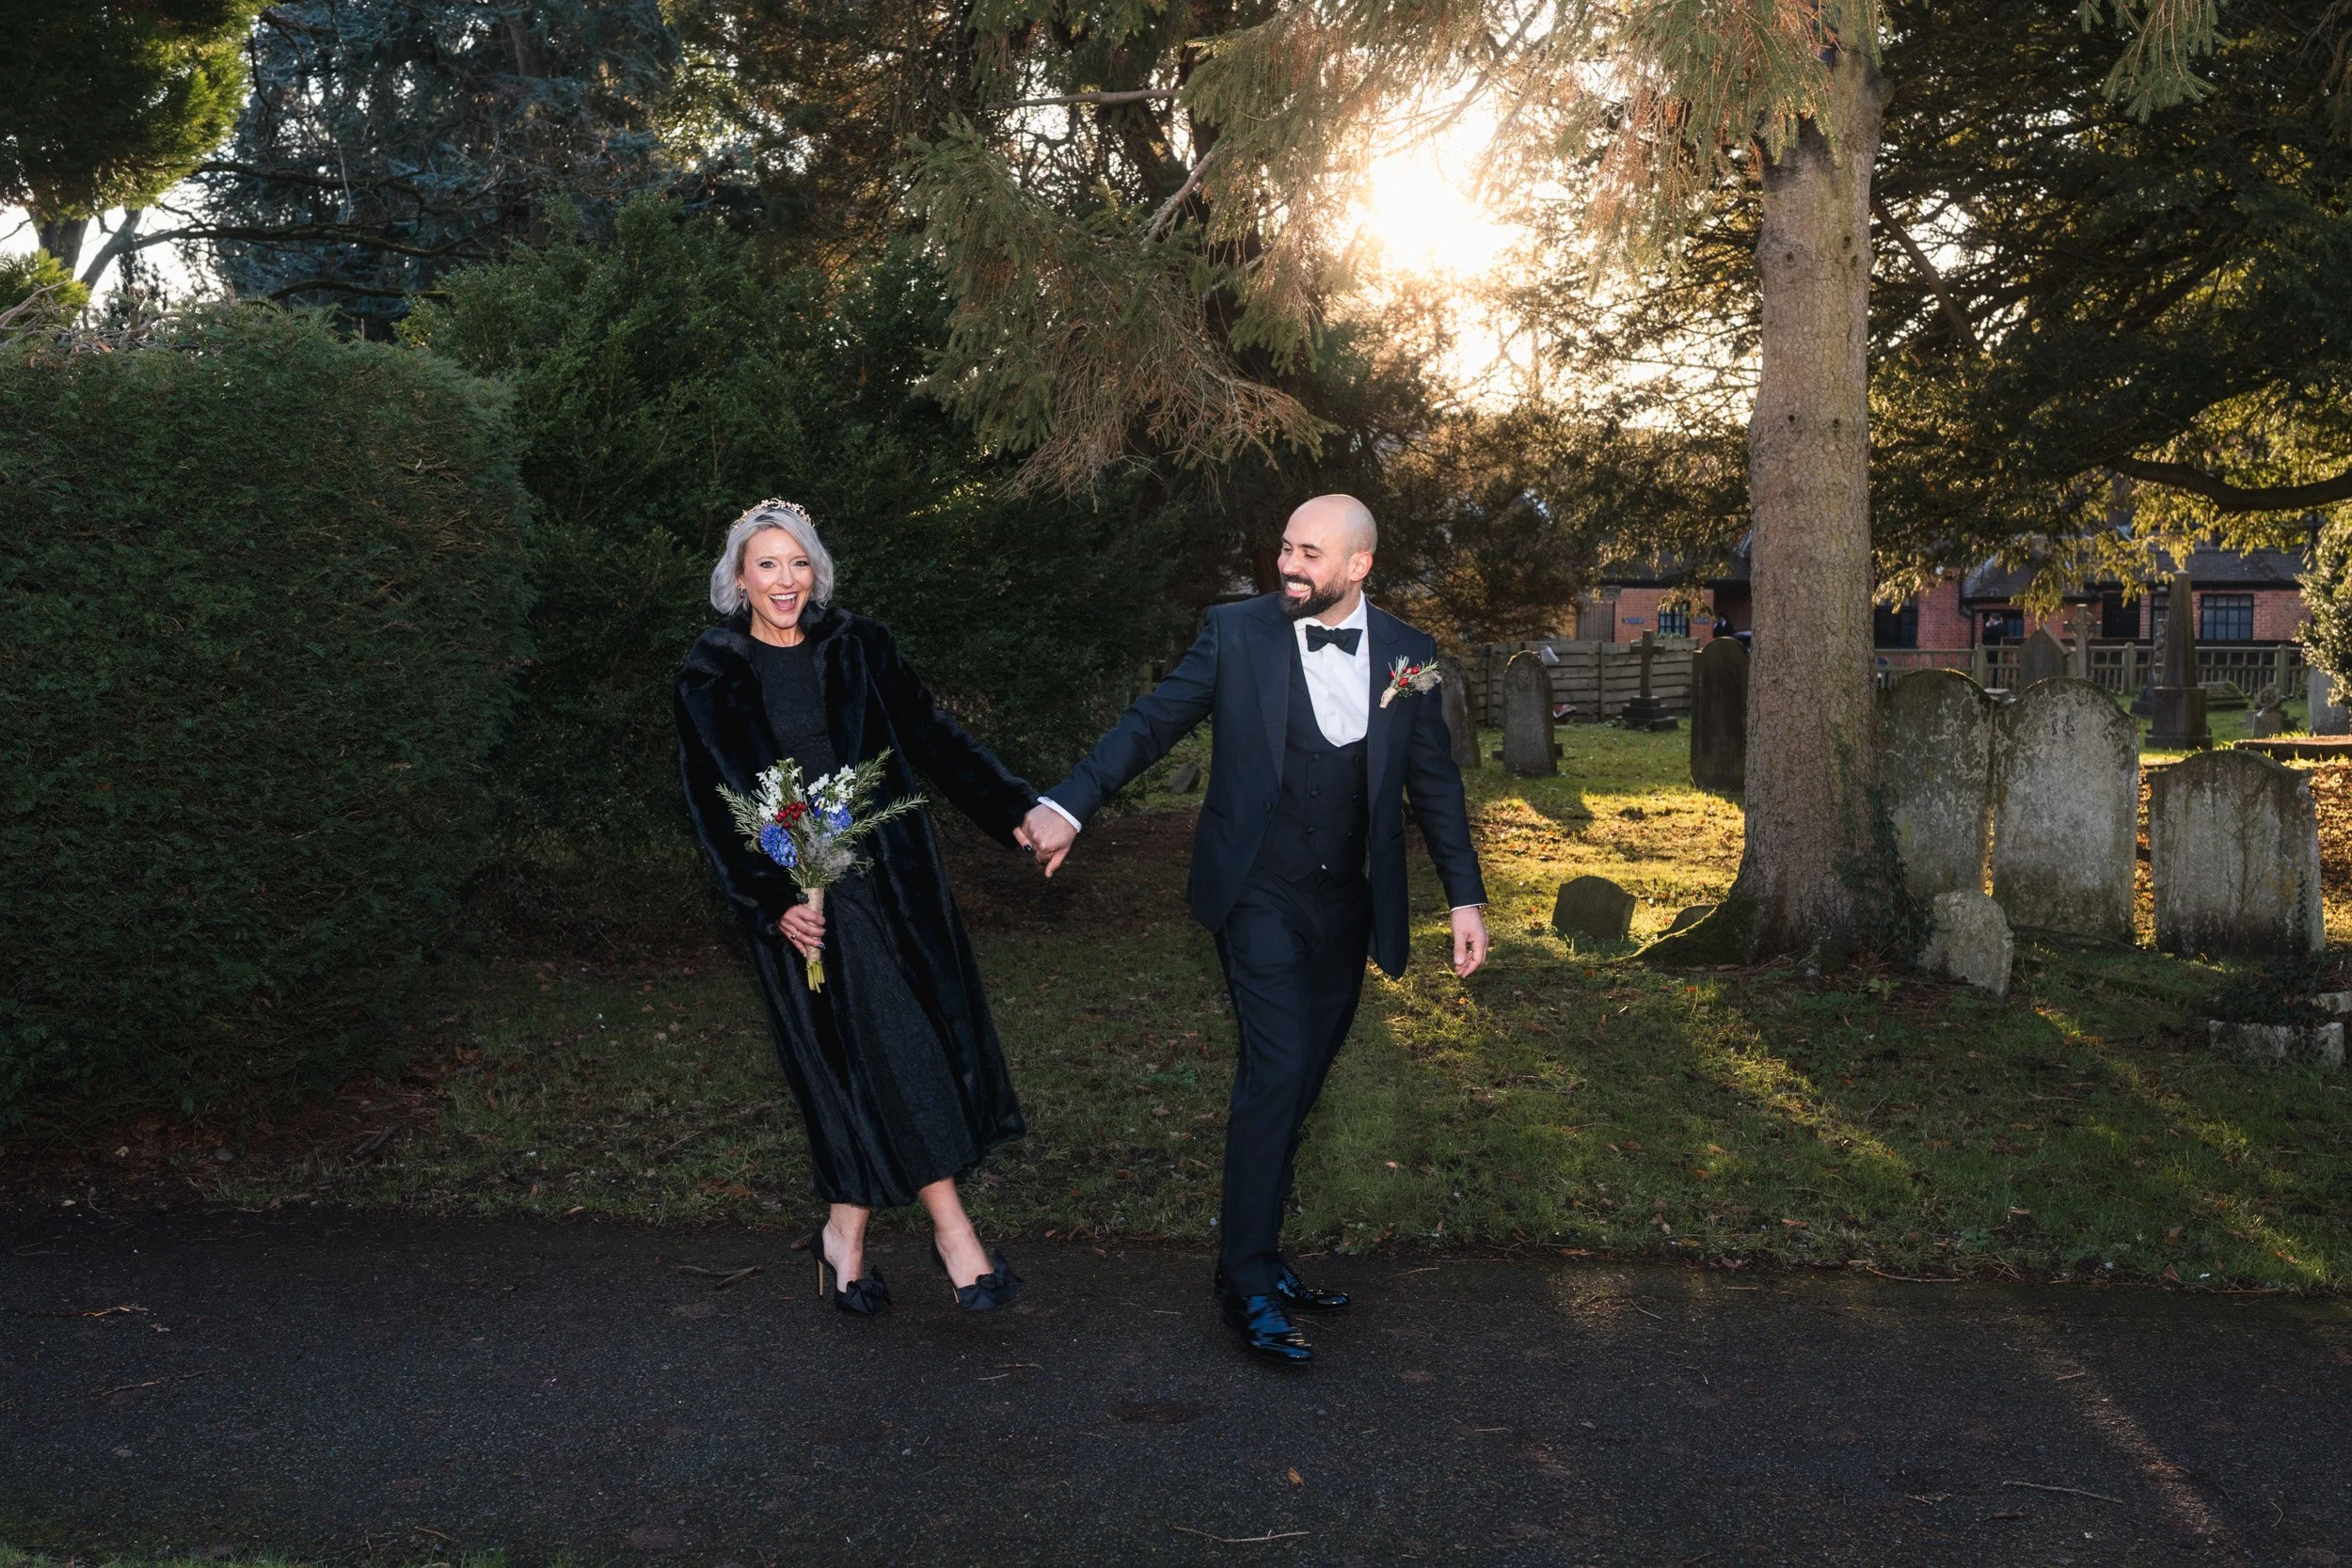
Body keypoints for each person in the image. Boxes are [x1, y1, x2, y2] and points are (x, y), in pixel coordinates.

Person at [1021, 495, 1488, 1366]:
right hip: (1256, 892)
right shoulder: (1236, 634)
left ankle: (1264, 1257)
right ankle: (1244, 1281)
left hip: (1350, 902)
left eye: (1310, 553)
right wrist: (1069, 804)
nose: (1288, 564)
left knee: (1301, 1079)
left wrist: (1465, 898)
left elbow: (1434, 782)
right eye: (1284, 547)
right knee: (1275, 1070)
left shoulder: (1410, 657)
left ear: (1359, 567)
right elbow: (1154, 720)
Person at [675, 500, 1033, 1316]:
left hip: (892, 879)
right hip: (799, 902)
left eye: (798, 562)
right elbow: (715, 801)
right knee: (863, 1051)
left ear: (816, 571)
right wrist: (772, 899)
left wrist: (1012, 806)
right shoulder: (710, 674)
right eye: (767, 564)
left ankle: (847, 1232)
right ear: (739, 579)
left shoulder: (858, 644)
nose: (785, 579)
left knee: (888, 1046)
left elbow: (933, 733)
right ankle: (953, 1234)